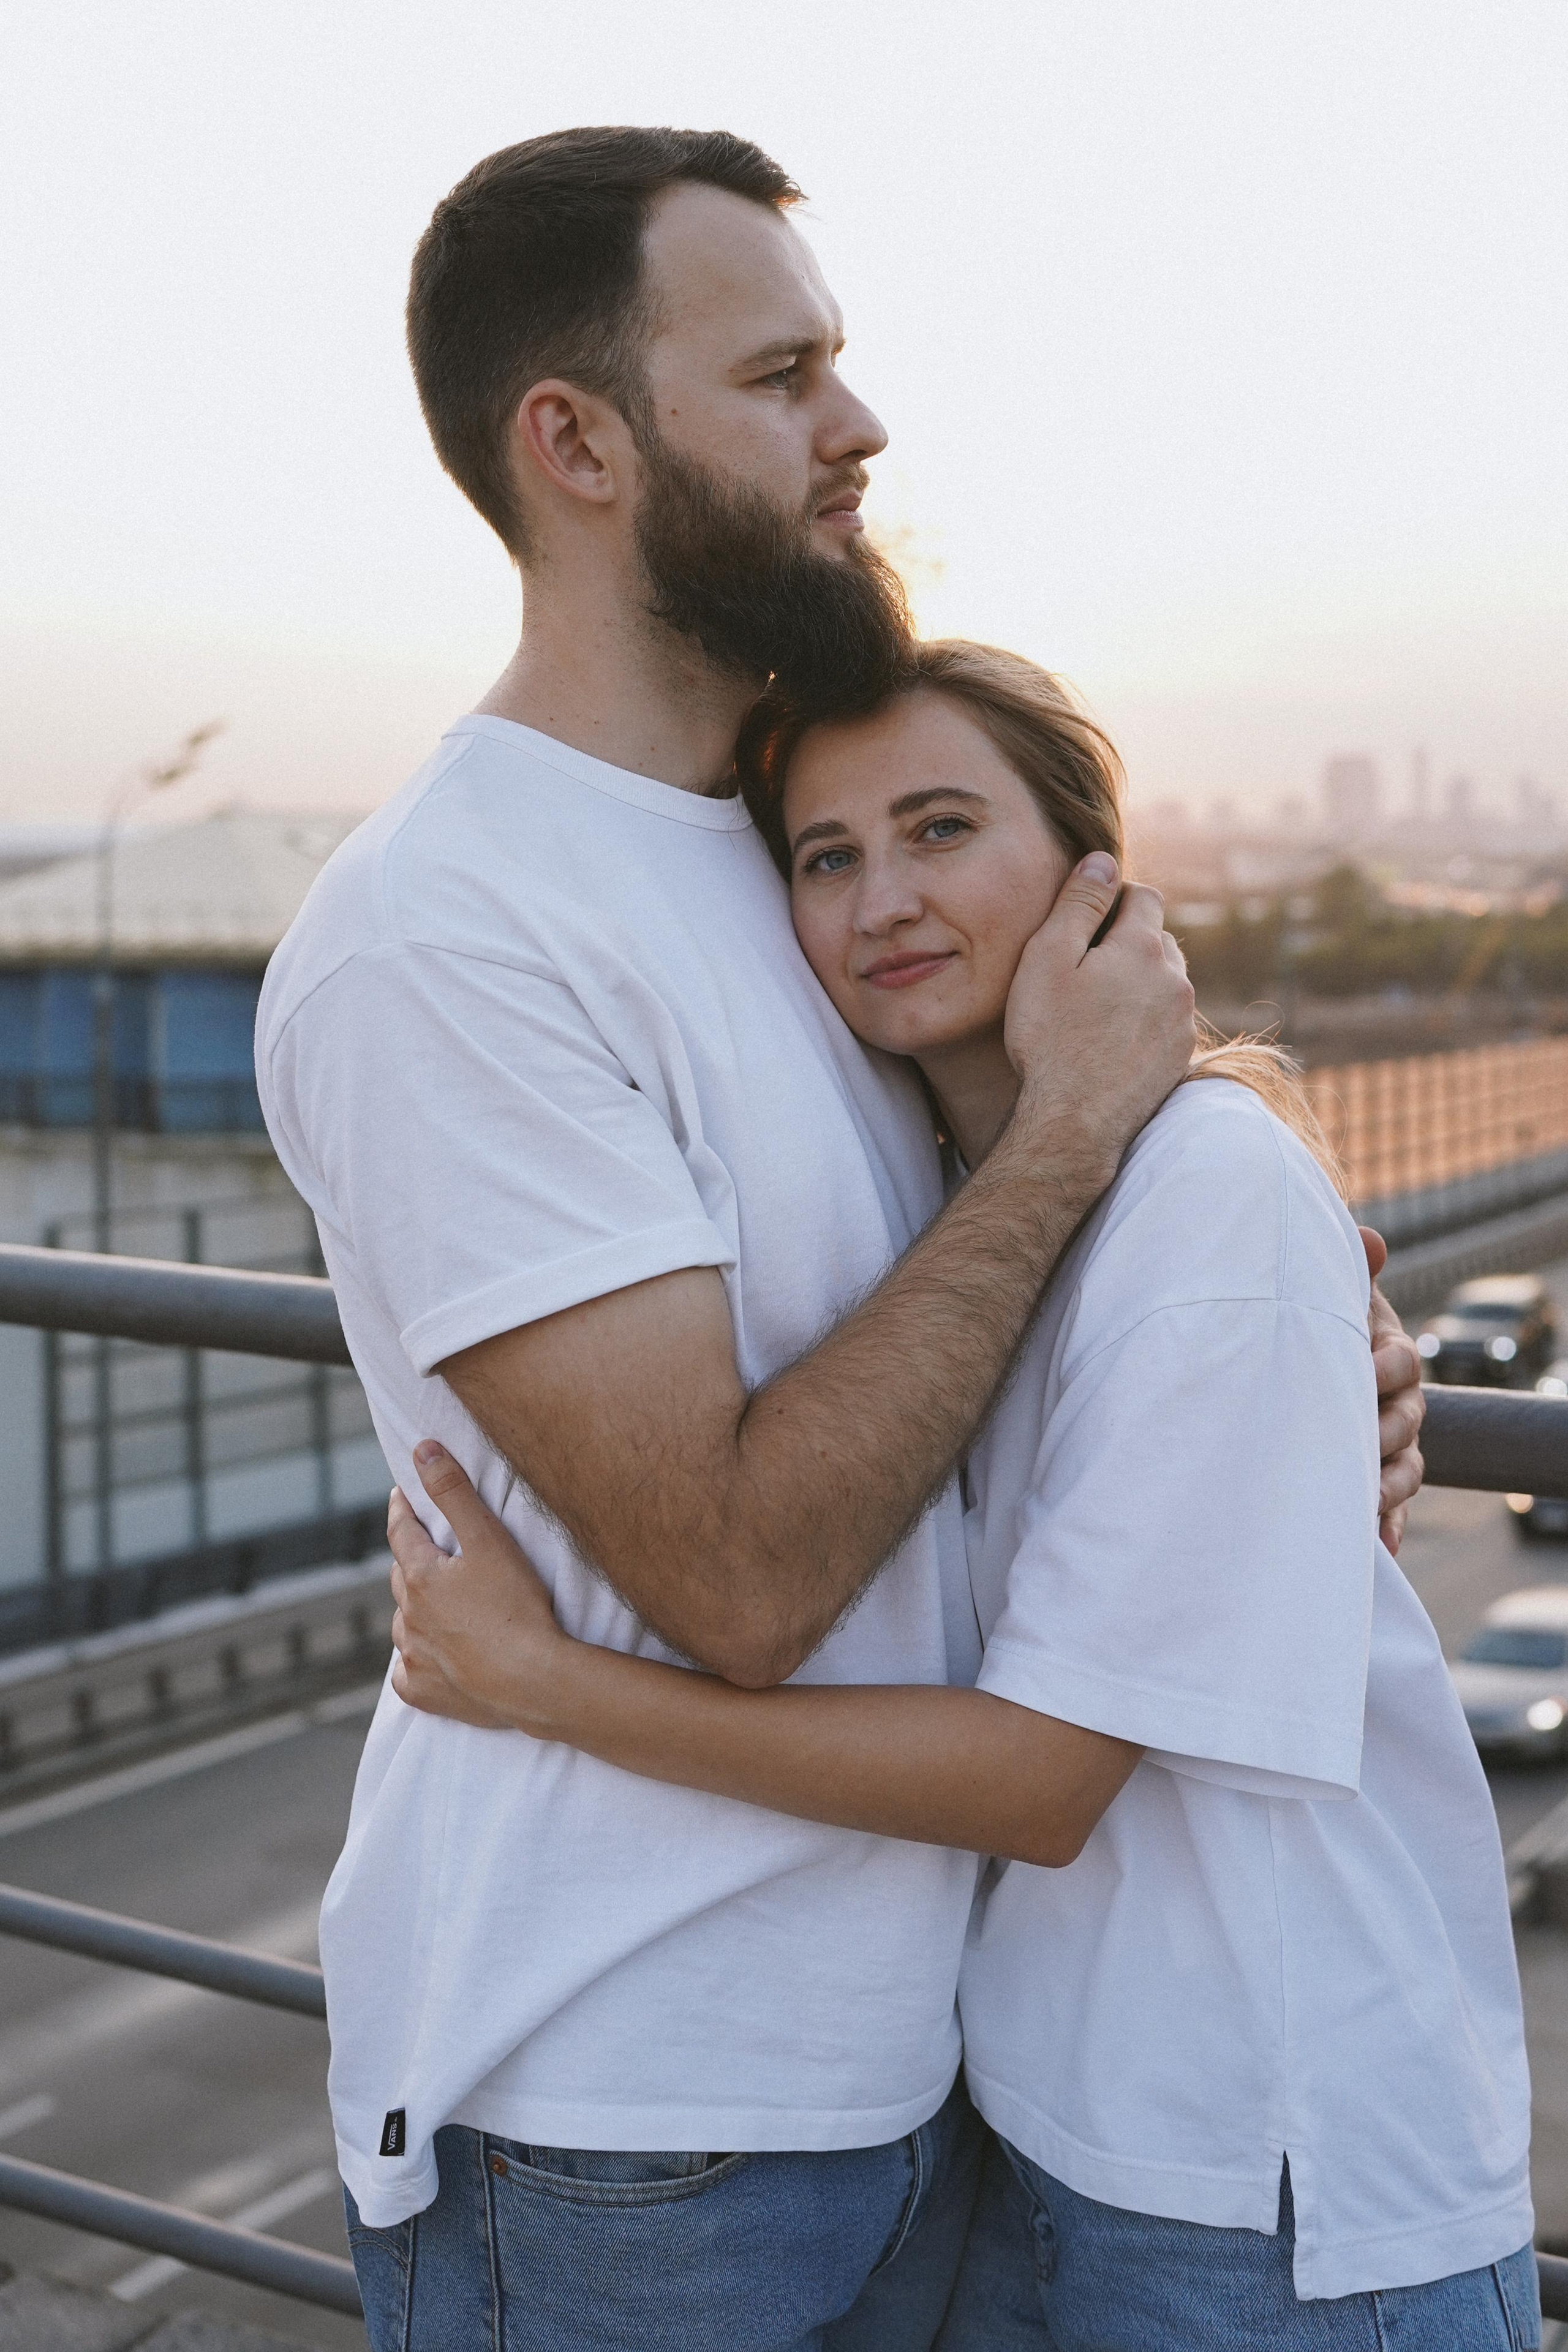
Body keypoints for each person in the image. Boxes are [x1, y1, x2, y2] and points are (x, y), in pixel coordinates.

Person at [256, 127, 1424, 2350]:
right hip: (610, 2123)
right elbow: (743, 1571)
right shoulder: (448, 931)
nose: (859, 429)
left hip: (932, 2078)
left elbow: (988, 1315)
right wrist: (1068, 1144)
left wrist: (1291, 1375)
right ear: (576, 443)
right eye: (784, 374)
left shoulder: (782, 857)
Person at [386, 643, 1532, 2351]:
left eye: (939, 829)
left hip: (1269, 2198)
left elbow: (1042, 1780)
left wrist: (546, 1685)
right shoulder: (959, 1227)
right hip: (1054, 2155)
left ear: (1091, 879)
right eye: (827, 855)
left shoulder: (1203, 1190)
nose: (882, 898)